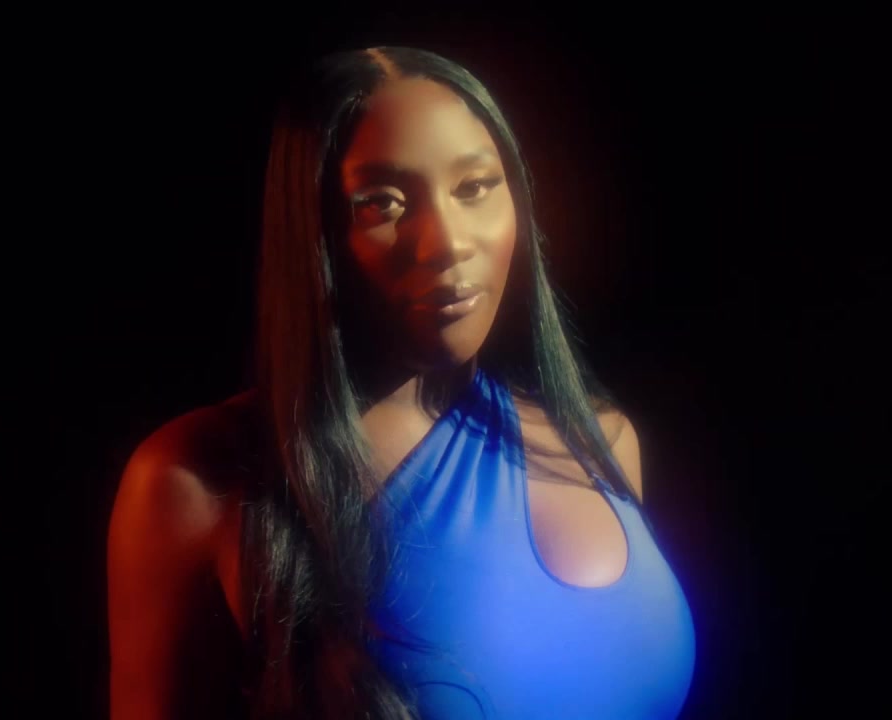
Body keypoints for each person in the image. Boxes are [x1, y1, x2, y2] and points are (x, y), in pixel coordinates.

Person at [107, 46, 696, 719]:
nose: (447, 243)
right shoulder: (201, 484)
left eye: (475, 187)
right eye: (382, 204)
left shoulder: (600, 442)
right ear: (315, 231)